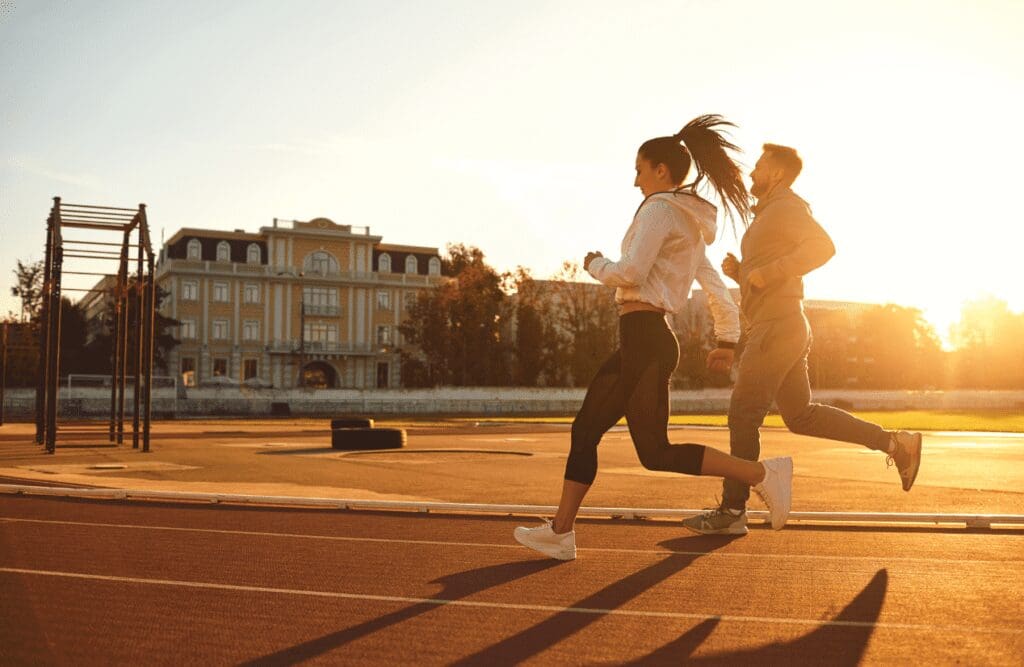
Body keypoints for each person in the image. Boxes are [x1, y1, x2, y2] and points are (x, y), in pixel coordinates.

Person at [514, 115, 793, 561]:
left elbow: (631, 272)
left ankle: (763, 474)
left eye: (640, 169)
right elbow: (714, 286)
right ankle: (561, 532)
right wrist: (727, 337)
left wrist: (596, 263)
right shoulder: (685, 221)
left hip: (645, 337)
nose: (635, 180)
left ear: (662, 171)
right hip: (641, 338)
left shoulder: (661, 209)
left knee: (655, 451)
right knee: (585, 430)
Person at [682, 143, 923, 536]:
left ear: (776, 173)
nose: (752, 171)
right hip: (783, 324)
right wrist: (742, 272)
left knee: (743, 415)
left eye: (759, 165)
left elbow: (823, 247)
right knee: (801, 416)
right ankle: (896, 444)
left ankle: (731, 511)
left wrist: (772, 271)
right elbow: (768, 274)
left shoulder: (787, 207)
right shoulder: (770, 213)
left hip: (778, 326)